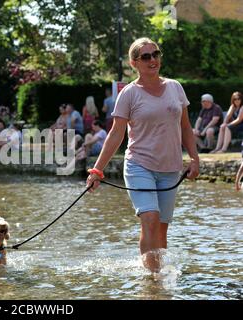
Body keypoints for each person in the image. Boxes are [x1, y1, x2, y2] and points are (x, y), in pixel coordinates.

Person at [86, 38, 199, 274]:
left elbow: (186, 127)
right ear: (134, 62)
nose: (153, 60)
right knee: (149, 219)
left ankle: (158, 274)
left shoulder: (176, 87)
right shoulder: (129, 94)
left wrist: (194, 159)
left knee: (161, 228)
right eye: (146, 56)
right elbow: (116, 134)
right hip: (139, 165)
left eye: (155, 54)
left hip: (170, 168)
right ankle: (152, 281)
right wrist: (97, 170)